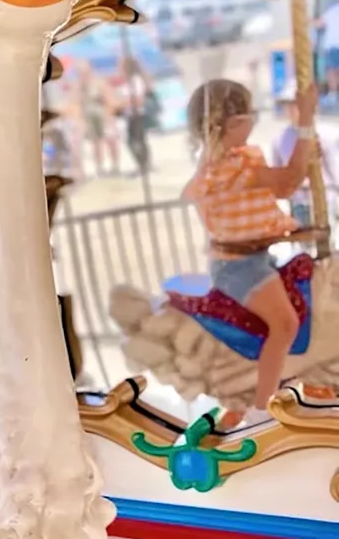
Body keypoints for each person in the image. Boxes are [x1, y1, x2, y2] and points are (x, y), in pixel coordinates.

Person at [181, 80, 318, 429]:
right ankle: (262, 409)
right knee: (284, 324)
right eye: (248, 117)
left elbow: (256, 205)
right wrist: (305, 121)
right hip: (238, 267)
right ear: (228, 125)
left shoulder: (233, 160)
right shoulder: (225, 168)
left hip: (254, 258)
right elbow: (287, 183)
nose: (255, 122)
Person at [272, 81, 336, 226]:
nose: (290, 110)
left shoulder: (325, 135)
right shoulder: (280, 139)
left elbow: (334, 168)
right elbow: (277, 174)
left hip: (324, 197)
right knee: (302, 244)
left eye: (295, 105)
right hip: (298, 201)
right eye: (287, 105)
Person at [75, 59, 120, 176]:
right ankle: (100, 167)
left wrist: (109, 116)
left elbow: (108, 99)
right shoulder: (80, 86)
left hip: (102, 114)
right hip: (90, 116)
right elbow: (78, 103)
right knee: (96, 143)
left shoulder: (98, 82)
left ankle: (115, 165)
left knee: (110, 141)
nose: (83, 74)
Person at [119, 56, 158, 175]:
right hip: (131, 115)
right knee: (136, 141)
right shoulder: (130, 81)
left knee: (136, 141)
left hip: (137, 115)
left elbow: (139, 99)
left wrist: (125, 102)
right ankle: (143, 164)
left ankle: (144, 164)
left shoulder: (136, 81)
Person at [316, 0, 339, 103]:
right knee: (333, 71)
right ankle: (334, 94)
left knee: (332, 71)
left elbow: (320, 23)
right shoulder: (332, 9)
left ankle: (333, 94)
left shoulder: (332, 9)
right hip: (333, 46)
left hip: (332, 46)